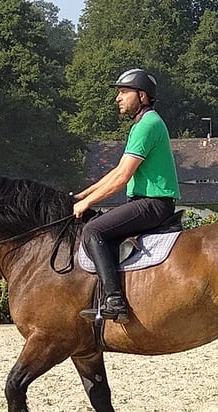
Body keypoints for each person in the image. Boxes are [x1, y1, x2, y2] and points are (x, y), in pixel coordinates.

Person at [73, 68, 181, 324]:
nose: (117, 98)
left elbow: (122, 179)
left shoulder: (148, 125)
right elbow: (118, 171)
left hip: (153, 204)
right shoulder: (142, 125)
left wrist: (87, 204)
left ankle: (115, 301)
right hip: (145, 202)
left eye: (123, 92)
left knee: (92, 231)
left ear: (142, 95)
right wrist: (83, 194)